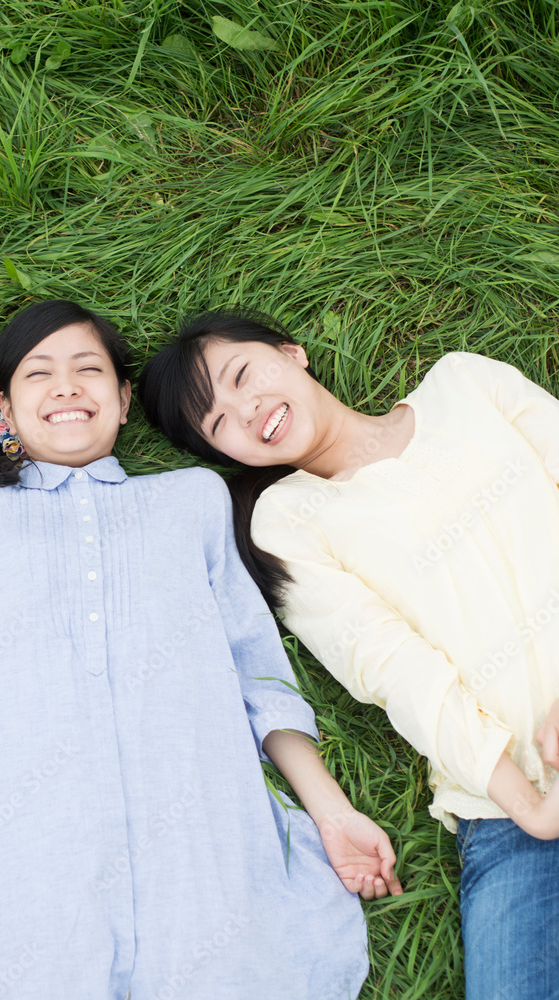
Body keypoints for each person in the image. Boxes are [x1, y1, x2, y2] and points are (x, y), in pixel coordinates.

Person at [0, 299, 401, 1000]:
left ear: (123, 401)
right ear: (5, 409)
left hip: (205, 858)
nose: (65, 387)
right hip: (31, 870)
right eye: (39, 374)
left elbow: (259, 674)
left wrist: (331, 813)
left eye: (87, 369)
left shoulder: (193, 502)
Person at [138, 312, 559, 1000]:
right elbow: (401, 675)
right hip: (515, 815)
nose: (246, 411)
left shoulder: (466, 384)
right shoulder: (285, 526)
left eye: (244, 376)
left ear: (291, 352)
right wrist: (532, 807)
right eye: (217, 423)